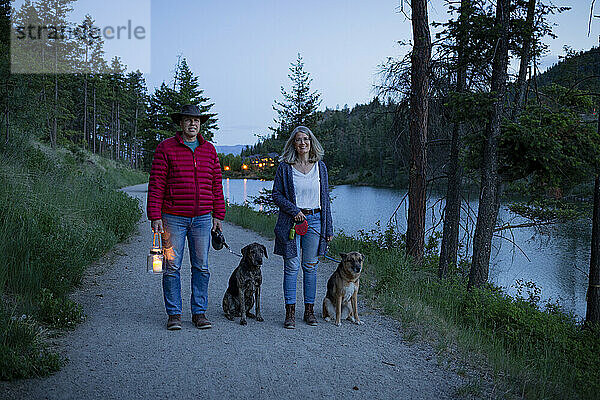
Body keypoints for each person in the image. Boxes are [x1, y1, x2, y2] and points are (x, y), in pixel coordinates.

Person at [147, 104, 225, 331]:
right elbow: (157, 183)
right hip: (172, 218)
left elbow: (216, 185)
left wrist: (218, 214)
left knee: (201, 266)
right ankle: (174, 314)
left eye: (197, 120)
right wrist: (155, 215)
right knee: (172, 266)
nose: (193, 124)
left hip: (202, 219)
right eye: (188, 120)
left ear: (200, 124)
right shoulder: (166, 148)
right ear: (180, 124)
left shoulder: (209, 150)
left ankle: (199, 312)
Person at [272, 126, 333, 329]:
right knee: (291, 267)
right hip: (292, 221)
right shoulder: (285, 167)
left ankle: (308, 311)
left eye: (306, 139)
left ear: (311, 142)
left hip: (315, 220)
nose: (302, 143)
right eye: (298, 139)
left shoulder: (320, 167)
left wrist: (328, 229)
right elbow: (277, 195)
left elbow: (326, 199)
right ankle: (290, 312)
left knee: (310, 267)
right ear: (293, 143)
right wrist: (294, 210)